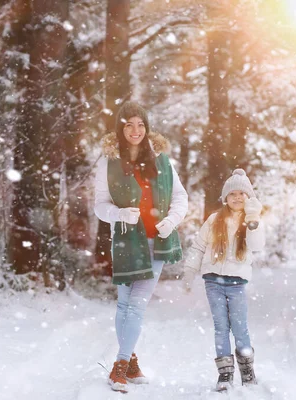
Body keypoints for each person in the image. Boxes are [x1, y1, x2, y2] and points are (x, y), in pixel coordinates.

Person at [94, 101, 188, 393]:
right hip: (124, 240)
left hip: (155, 240)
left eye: (140, 124)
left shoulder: (161, 160)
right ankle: (131, 362)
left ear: (146, 128)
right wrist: (119, 214)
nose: (135, 130)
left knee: (135, 306)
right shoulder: (106, 162)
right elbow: (100, 205)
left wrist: (171, 221)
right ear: (120, 129)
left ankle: (119, 366)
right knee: (124, 304)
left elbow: (180, 198)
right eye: (129, 124)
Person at [182, 169, 265, 391]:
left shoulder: (251, 220)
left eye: (242, 193)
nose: (237, 198)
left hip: (237, 283)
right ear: (225, 198)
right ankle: (225, 374)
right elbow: (199, 247)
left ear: (249, 197)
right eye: (232, 194)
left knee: (240, 327)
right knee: (221, 327)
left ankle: (247, 371)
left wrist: (254, 220)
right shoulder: (214, 219)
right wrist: (190, 270)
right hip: (213, 282)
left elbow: (257, 246)